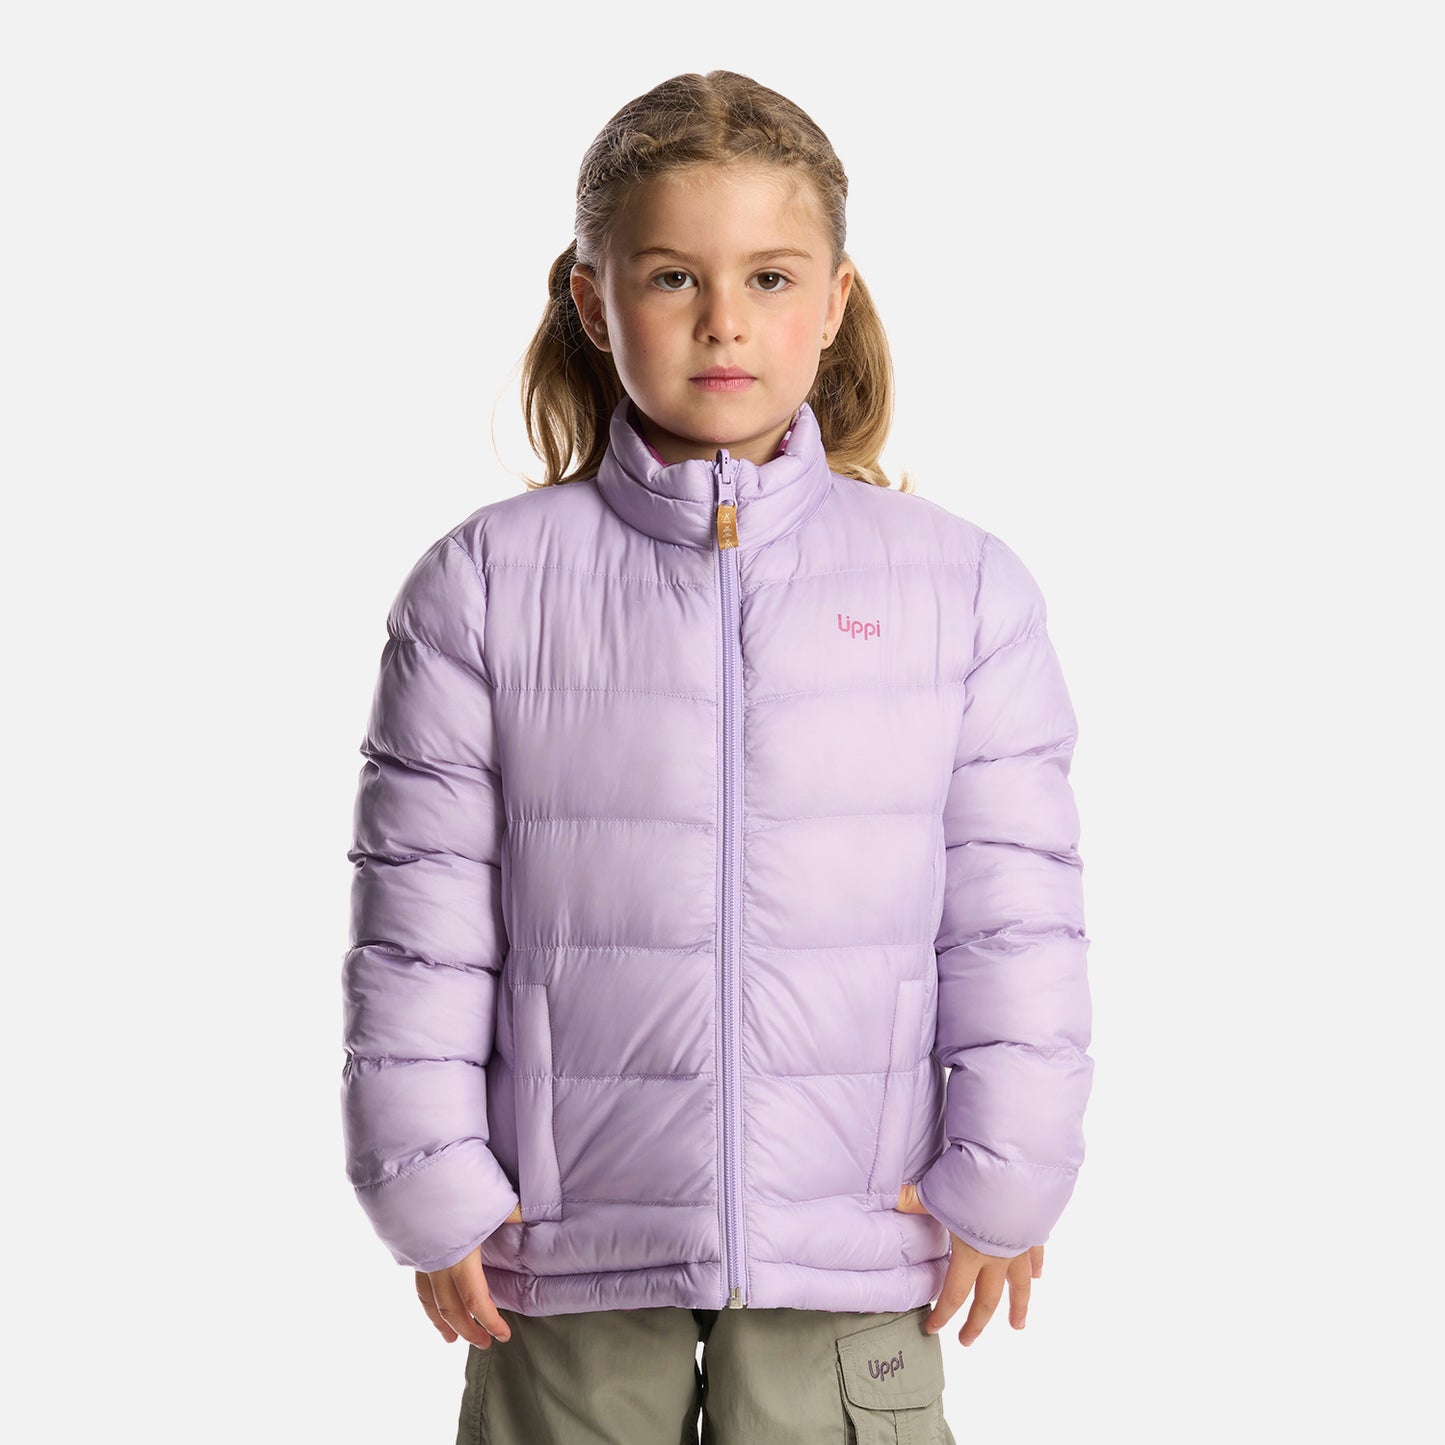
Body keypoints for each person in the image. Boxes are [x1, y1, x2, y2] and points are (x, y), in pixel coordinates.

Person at [340, 68, 1094, 1445]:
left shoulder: (960, 588)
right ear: (593, 300)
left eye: (769, 276)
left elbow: (1014, 909)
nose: (724, 321)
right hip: (560, 1241)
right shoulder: (484, 588)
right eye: (674, 276)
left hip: (851, 1233)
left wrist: (1009, 1169)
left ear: (835, 298)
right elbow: (420, 924)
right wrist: (429, 1182)